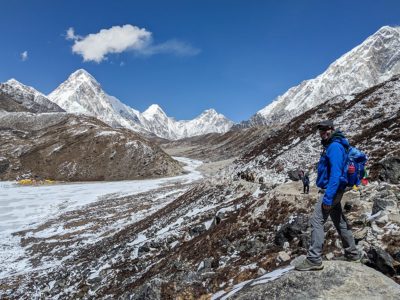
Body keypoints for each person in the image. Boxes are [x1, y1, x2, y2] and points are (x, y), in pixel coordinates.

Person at [295, 120, 360, 271]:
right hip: (336, 190)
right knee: (340, 222)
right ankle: (352, 254)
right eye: (320, 130)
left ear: (332, 129)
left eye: (325, 129)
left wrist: (328, 197)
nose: (323, 133)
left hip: (332, 190)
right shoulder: (333, 145)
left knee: (316, 221)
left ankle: (314, 259)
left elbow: (336, 174)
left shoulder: (334, 147)